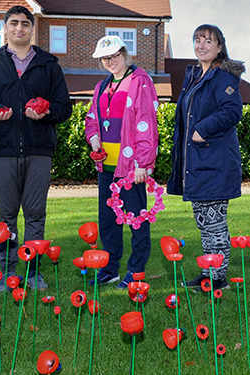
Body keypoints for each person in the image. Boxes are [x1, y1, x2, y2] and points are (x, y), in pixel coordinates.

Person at [0, 6, 72, 292]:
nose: (19, 28)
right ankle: (8, 272)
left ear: (32, 28)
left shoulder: (49, 65)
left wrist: (46, 113)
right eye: (13, 23)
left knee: (35, 213)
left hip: (39, 150)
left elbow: (64, 107)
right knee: (6, 216)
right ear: (5, 27)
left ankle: (34, 272)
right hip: (2, 150)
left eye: (25, 24)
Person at [167, 24, 244, 291]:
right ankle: (208, 273)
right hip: (198, 163)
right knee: (204, 221)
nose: (201, 45)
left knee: (214, 222)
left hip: (215, 162)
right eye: (197, 40)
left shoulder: (223, 77)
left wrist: (202, 129)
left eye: (208, 41)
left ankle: (218, 278)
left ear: (219, 47)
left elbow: (232, 111)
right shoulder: (195, 76)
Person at [83, 35, 159, 288]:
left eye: (114, 56)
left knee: (136, 219)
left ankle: (136, 270)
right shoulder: (101, 86)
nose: (110, 61)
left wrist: (142, 163)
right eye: (105, 58)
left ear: (125, 54)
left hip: (131, 167)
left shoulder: (140, 81)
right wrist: (94, 139)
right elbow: (92, 119)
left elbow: (146, 124)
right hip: (106, 166)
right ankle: (110, 268)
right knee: (108, 220)